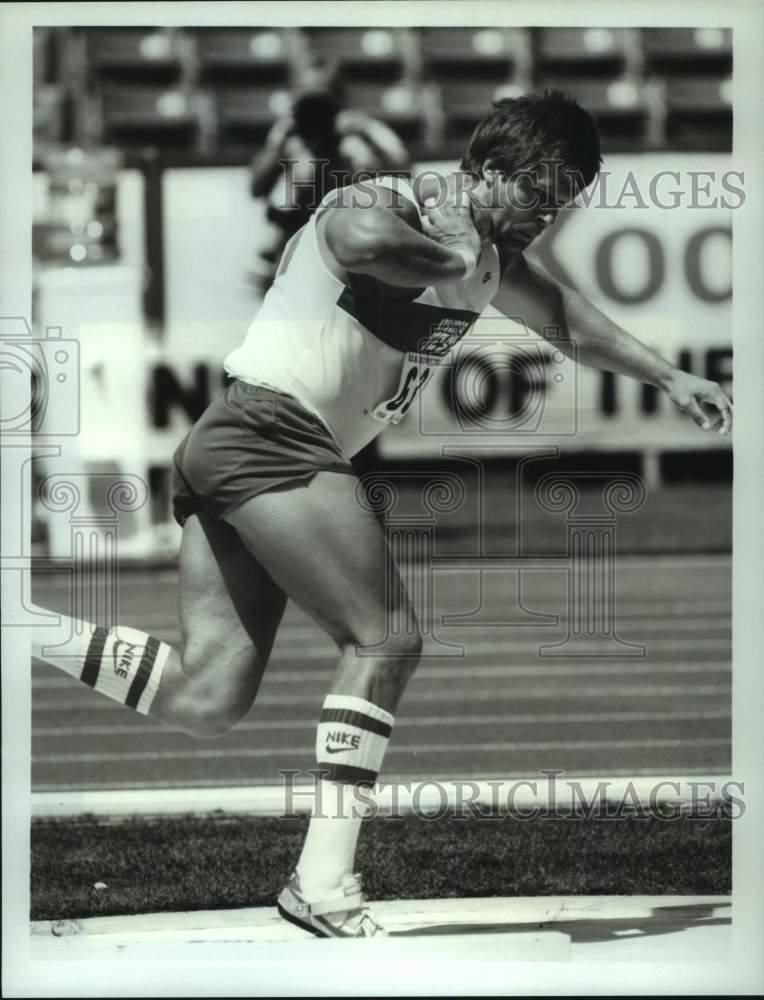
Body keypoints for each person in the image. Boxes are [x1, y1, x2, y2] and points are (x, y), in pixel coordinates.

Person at [31, 91, 732, 938]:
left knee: (207, 695)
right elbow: (353, 237)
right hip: (272, 432)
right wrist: (453, 248)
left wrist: (670, 377)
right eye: (537, 197)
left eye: (562, 205)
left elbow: (570, 321)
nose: (545, 219)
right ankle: (321, 887)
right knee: (385, 639)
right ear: (484, 173)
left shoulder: (491, 258)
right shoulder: (393, 200)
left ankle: (17, 627)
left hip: (245, 441)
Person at [249, 83, 410, 295]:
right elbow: (257, 188)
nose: (315, 134)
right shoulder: (291, 139)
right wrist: (280, 148)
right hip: (304, 231)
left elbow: (405, 172)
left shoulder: (359, 135)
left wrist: (366, 141)